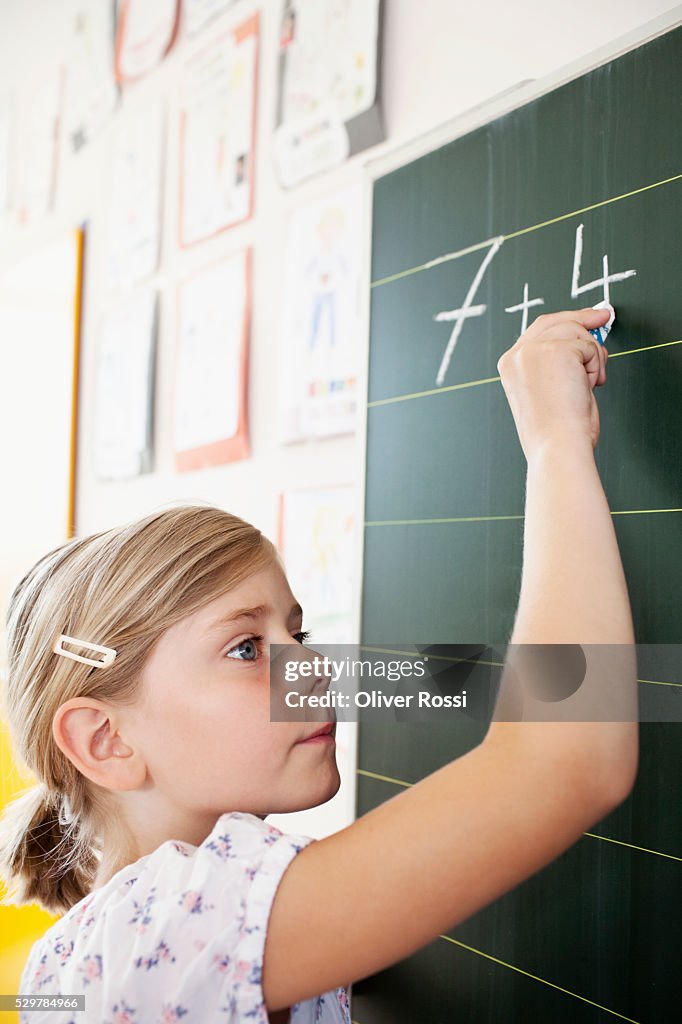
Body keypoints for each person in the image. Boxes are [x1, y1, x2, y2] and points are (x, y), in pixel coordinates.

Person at [0, 306, 638, 1023]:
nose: (316, 671)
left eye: (298, 635)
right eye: (246, 649)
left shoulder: (155, 931)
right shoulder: (163, 930)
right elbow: (571, 759)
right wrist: (555, 441)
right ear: (105, 741)